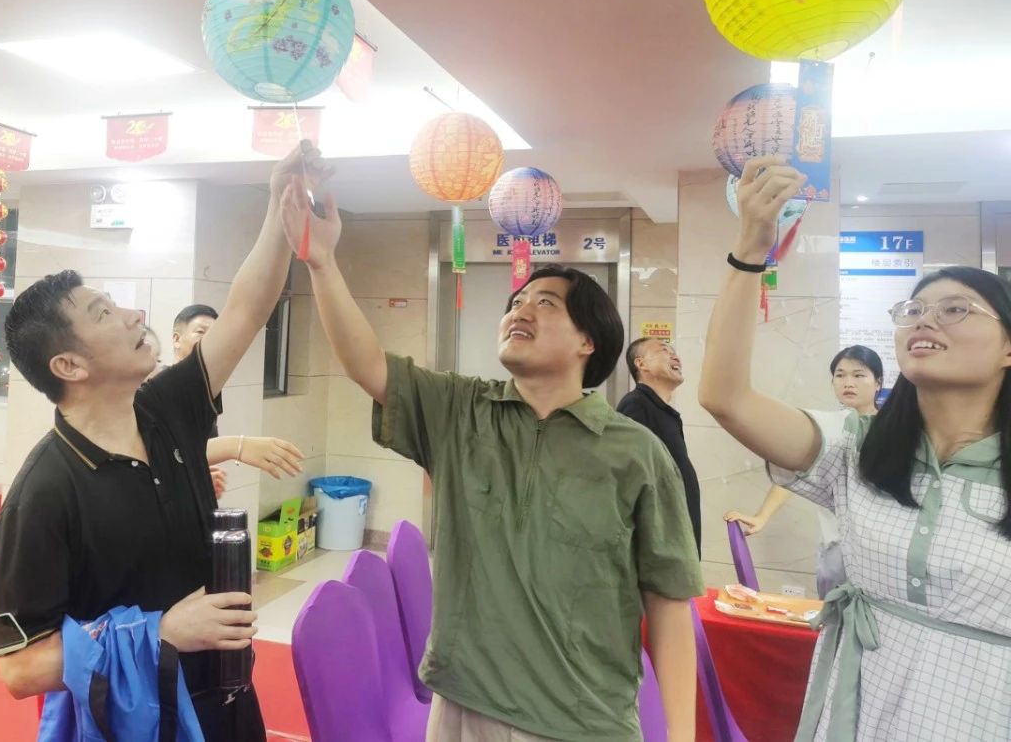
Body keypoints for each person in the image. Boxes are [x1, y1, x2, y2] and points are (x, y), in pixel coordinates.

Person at [278, 185, 703, 742]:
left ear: (588, 341)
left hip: (583, 720)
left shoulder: (637, 452)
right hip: (462, 704)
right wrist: (322, 262)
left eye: (545, 303)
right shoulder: (461, 410)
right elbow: (367, 364)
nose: (520, 310)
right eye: (516, 303)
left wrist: (680, 736)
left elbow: (669, 604)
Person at [0, 144, 327, 742]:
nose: (131, 314)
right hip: (138, 722)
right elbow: (18, 670)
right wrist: (162, 631)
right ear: (69, 365)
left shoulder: (166, 407)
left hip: (229, 694)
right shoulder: (44, 492)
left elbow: (246, 311)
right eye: (103, 313)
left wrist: (281, 207)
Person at [700, 154, 1011, 741]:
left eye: (955, 310)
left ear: (1008, 348)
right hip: (857, 712)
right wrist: (751, 248)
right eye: (913, 310)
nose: (926, 320)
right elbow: (726, 397)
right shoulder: (858, 448)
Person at [724, 344, 884, 596]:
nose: (848, 383)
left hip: (881, 551)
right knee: (833, 613)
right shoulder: (829, 428)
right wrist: (762, 516)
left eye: (858, 375)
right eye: (840, 375)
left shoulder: (893, 430)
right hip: (835, 547)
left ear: (878, 383)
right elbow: (796, 470)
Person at [164, 305, 305, 502]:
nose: (208, 341)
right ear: (176, 339)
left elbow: (186, 458)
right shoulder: (160, 390)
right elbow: (163, 452)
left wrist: (199, 478)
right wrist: (238, 446)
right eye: (201, 332)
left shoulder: (204, 391)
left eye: (214, 334)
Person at [617, 338, 701, 554]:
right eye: (664, 350)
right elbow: (629, 477)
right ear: (641, 364)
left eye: (674, 351)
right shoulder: (636, 405)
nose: (675, 356)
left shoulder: (664, 412)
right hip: (660, 544)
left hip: (676, 535)